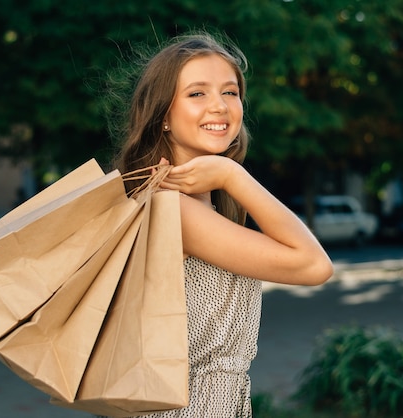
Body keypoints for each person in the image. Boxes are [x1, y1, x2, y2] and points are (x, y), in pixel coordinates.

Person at [105, 31, 333, 417]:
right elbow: (314, 265)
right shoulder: (175, 211)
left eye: (230, 92)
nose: (220, 106)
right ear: (162, 116)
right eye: (197, 93)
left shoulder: (191, 208)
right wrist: (232, 175)